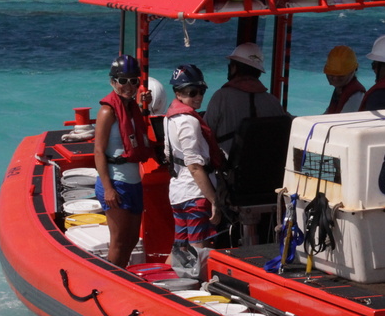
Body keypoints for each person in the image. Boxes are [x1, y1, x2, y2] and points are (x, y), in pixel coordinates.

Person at [93, 54, 151, 268]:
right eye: (123, 81)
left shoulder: (132, 108)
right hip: (116, 183)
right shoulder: (107, 111)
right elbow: (99, 151)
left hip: (133, 182)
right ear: (113, 81)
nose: (128, 86)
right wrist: (108, 188)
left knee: (132, 240)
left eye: (133, 81)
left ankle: (121, 274)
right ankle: (111, 280)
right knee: (118, 242)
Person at [163, 64, 223, 251]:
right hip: (195, 194)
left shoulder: (169, 118)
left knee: (181, 247)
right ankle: (198, 280)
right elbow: (195, 166)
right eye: (192, 92)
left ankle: (174, 277)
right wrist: (214, 200)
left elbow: (168, 154)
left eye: (201, 91)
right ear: (178, 93)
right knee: (199, 247)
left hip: (178, 192)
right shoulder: (189, 122)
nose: (198, 97)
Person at [203, 42, 287, 156]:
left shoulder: (221, 97)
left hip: (229, 170)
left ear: (234, 68)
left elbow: (206, 134)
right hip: (267, 167)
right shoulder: (273, 101)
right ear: (258, 72)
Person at [323, 45, 365, 114]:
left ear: (353, 71)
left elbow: (341, 121)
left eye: (341, 75)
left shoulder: (356, 97)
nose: (335, 78)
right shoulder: (340, 90)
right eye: (331, 74)